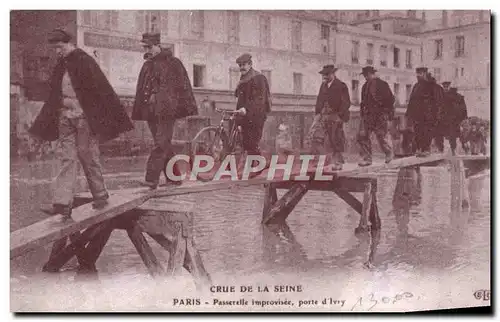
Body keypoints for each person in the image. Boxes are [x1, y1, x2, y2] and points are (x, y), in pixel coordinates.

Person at [30, 29, 134, 218]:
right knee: (67, 158)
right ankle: (63, 203)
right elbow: (54, 93)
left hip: (84, 118)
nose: (57, 52)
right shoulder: (61, 64)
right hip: (65, 117)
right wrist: (61, 104)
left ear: (69, 44)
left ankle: (100, 194)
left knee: (87, 154)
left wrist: (88, 110)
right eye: (54, 49)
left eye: (59, 48)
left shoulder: (85, 61)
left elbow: (100, 91)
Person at [132, 33, 198, 189]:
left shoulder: (173, 63)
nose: (147, 50)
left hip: (167, 112)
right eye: (145, 47)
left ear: (158, 45)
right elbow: (142, 89)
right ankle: (174, 177)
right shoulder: (147, 65)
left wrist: (176, 107)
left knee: (161, 143)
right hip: (151, 112)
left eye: (149, 47)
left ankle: (151, 178)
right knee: (163, 144)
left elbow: (182, 88)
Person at [306, 64, 351, 171]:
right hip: (323, 116)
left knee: (336, 139)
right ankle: (321, 161)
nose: (324, 76)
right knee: (317, 138)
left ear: (333, 74)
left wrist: (340, 116)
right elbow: (319, 100)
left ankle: (338, 162)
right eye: (323, 75)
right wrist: (317, 113)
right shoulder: (323, 86)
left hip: (335, 116)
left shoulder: (341, 85)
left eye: (326, 74)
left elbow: (346, 102)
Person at [233, 53, 272, 174]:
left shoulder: (258, 78)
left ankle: (255, 168)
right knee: (247, 143)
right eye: (240, 65)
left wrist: (246, 109)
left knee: (252, 142)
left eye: (244, 65)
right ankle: (258, 166)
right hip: (245, 115)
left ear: (250, 64)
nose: (241, 67)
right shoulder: (243, 79)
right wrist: (239, 113)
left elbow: (259, 99)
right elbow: (240, 99)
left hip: (257, 115)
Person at [357, 66, 395, 166]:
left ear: (371, 74)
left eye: (366, 75)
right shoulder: (365, 86)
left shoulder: (383, 84)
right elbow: (363, 102)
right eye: (364, 75)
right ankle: (367, 159)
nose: (365, 77)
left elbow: (390, 100)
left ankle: (389, 153)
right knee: (363, 136)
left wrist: (387, 113)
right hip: (368, 116)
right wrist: (362, 114)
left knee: (381, 135)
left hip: (380, 115)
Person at [406, 67, 443, 157]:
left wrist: (436, 114)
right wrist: (409, 114)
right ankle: (420, 149)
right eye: (417, 74)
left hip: (428, 115)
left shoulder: (432, 86)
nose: (418, 76)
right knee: (418, 132)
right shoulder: (416, 86)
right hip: (417, 115)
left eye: (420, 73)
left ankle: (426, 149)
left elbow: (438, 101)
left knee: (427, 132)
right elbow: (411, 100)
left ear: (425, 73)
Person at [434, 82, 468, 155]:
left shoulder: (455, 97)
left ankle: (453, 150)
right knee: (438, 133)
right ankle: (440, 149)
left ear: (449, 87)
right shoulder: (441, 96)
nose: (445, 88)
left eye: (447, 87)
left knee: (452, 135)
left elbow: (462, 109)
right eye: (444, 87)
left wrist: (462, 119)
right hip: (443, 120)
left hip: (452, 120)